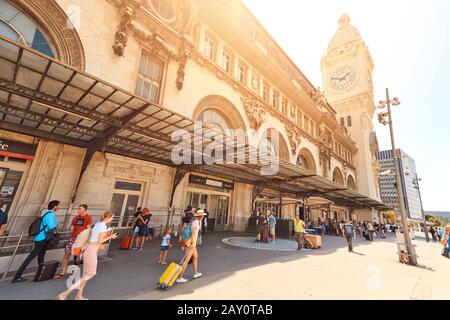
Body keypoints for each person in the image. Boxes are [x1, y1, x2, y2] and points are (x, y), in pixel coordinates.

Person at [57, 212, 118, 300]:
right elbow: (100, 241)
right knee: (91, 273)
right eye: (112, 217)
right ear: (107, 217)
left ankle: (78, 296)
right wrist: (111, 237)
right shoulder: (103, 226)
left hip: (88, 249)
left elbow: (94, 239)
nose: (112, 219)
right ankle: (64, 294)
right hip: (91, 251)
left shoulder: (97, 224)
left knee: (85, 275)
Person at [12, 200, 60, 283]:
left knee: (41, 256)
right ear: (55, 206)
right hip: (42, 238)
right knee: (31, 257)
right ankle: (17, 276)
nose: (59, 207)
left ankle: (40, 275)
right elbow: (51, 226)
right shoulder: (51, 214)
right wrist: (56, 222)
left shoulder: (46, 213)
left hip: (41, 238)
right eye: (58, 205)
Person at [54, 204, 92, 279]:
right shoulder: (75, 218)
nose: (78, 210)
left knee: (77, 255)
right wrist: (70, 227)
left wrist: (86, 241)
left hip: (81, 239)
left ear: (84, 209)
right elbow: (72, 228)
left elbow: (88, 229)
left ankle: (74, 271)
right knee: (67, 254)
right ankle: (63, 271)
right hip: (73, 238)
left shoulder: (88, 217)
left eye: (80, 209)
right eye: (78, 208)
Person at [176, 209, 207, 283]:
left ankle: (196, 273)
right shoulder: (196, 222)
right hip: (191, 243)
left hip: (190, 242)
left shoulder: (194, 221)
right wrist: (192, 243)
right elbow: (194, 233)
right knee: (186, 260)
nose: (203, 216)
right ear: (201, 216)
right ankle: (179, 277)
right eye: (203, 215)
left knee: (195, 257)